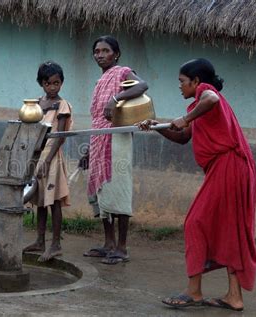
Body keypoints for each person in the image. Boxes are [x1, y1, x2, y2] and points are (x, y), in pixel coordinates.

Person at [138, 58, 256, 311]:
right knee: (229, 228)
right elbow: (182, 138)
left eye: (182, 82)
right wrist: (157, 125)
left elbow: (210, 100)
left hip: (230, 165)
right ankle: (233, 297)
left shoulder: (207, 94)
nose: (179, 87)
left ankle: (194, 291)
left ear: (196, 82)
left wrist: (185, 117)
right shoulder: (198, 106)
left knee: (195, 221)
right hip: (226, 168)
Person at [80, 35, 148, 264]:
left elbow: (142, 85)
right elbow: (98, 119)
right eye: (96, 51)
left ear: (116, 54)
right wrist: (89, 150)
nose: (100, 55)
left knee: (117, 189)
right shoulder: (100, 81)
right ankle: (108, 243)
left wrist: (116, 98)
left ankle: (122, 247)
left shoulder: (122, 73)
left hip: (117, 139)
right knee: (102, 193)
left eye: (105, 50)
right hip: (99, 139)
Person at [23, 61, 73, 262]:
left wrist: (47, 161)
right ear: (41, 84)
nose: (52, 87)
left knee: (54, 202)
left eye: (56, 83)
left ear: (61, 83)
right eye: (48, 83)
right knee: (41, 201)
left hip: (51, 157)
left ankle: (56, 245)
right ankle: (40, 240)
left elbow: (60, 136)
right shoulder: (35, 104)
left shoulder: (62, 105)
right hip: (36, 157)